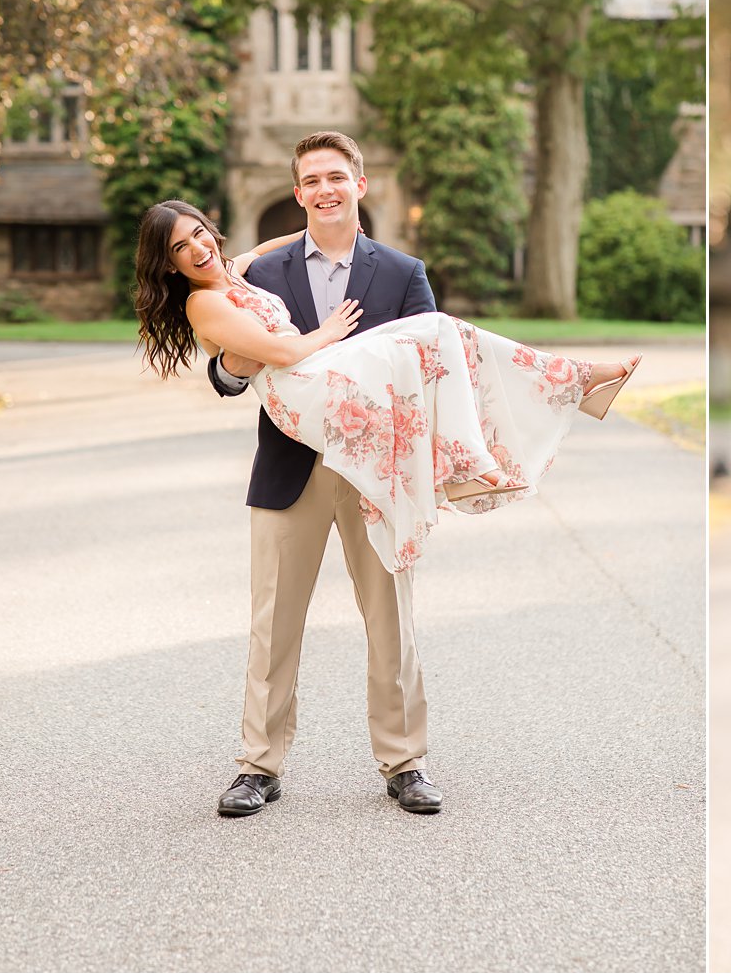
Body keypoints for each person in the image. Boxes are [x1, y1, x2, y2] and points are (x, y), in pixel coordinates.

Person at [134, 132, 638, 819]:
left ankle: (405, 762)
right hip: (293, 464)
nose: (323, 189)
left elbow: (433, 376)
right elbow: (225, 370)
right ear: (298, 191)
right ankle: (258, 765)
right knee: (273, 623)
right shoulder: (259, 278)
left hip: (379, 465)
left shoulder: (399, 270)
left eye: (335, 176)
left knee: (390, 618)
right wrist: (239, 365)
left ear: (360, 184)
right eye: (310, 180)